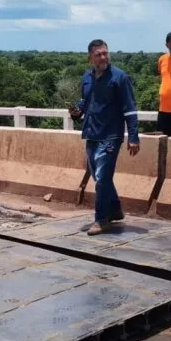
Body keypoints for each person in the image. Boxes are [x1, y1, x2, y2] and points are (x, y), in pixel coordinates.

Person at [68, 39, 140, 236]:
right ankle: (115, 209)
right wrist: (76, 112)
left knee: (102, 179)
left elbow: (130, 109)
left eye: (105, 53)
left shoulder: (119, 78)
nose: (103, 57)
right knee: (100, 177)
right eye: (98, 54)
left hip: (111, 136)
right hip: (91, 134)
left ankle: (101, 220)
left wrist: (133, 136)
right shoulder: (87, 78)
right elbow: (85, 103)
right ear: (90, 57)